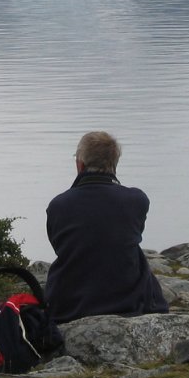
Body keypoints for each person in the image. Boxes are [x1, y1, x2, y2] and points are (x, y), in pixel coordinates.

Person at [44, 131, 169, 324]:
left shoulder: (58, 206)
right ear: (114, 164)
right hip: (129, 302)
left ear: (80, 164)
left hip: (70, 305)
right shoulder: (137, 200)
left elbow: (59, 246)